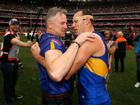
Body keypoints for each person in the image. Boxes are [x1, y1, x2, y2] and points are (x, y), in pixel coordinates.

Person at [31, 7, 95, 105]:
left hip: (52, 93)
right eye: (62, 23)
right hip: (58, 97)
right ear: (50, 25)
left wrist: (39, 58)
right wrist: (77, 42)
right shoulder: (52, 41)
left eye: (66, 23)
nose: (66, 26)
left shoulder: (48, 37)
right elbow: (56, 74)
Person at [63, 9, 111, 105]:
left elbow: (66, 73)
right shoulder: (95, 37)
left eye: (76, 21)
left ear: (87, 20)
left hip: (93, 99)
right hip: (96, 96)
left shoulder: (90, 40)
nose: (72, 25)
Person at [0, 18, 33, 105]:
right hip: (6, 62)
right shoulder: (8, 36)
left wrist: (17, 59)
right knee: (8, 82)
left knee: (14, 80)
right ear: (10, 25)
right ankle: (8, 100)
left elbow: (15, 49)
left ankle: (13, 95)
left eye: (17, 24)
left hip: (13, 61)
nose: (16, 26)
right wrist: (27, 44)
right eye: (13, 24)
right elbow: (17, 43)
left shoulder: (16, 35)